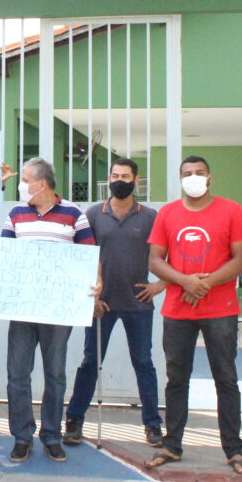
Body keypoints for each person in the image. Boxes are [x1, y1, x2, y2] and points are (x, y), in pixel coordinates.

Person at [145, 156, 242, 475]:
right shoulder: (167, 213)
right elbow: (155, 260)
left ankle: (234, 450)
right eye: (186, 174)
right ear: (180, 179)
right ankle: (172, 445)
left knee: (226, 378)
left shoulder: (231, 210)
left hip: (220, 310)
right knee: (177, 378)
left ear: (210, 177)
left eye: (199, 173)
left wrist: (203, 283)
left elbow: (241, 260)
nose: (193, 177)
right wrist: (186, 281)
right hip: (178, 310)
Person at [0, 158, 98, 464]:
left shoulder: (74, 215)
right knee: (18, 373)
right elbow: (5, 256)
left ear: (41, 183)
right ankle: (21, 436)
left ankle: (52, 435)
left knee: (55, 374)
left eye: (26, 178)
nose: (22, 183)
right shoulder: (16, 213)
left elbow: (89, 256)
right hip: (23, 308)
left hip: (58, 311)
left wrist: (96, 285)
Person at [63, 158, 165, 449]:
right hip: (101, 305)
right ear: (109, 178)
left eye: (126, 176)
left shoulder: (150, 217)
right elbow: (81, 258)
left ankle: (152, 424)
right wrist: (90, 296)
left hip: (138, 304)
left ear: (136, 180)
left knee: (143, 363)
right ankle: (74, 420)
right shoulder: (94, 213)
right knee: (90, 363)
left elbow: (168, 256)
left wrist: (160, 285)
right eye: (115, 175)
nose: (120, 180)